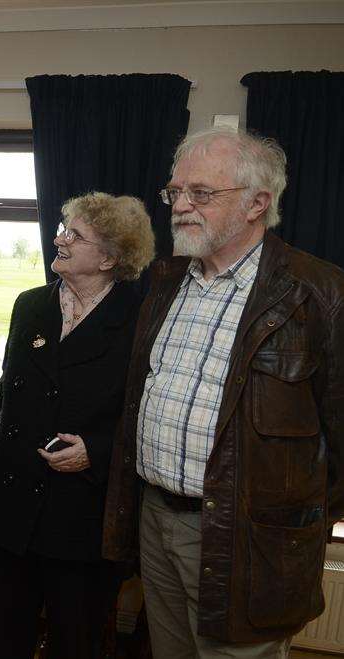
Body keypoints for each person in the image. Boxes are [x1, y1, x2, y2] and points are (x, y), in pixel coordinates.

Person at [103, 127, 344, 657]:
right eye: (175, 192)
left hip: (248, 540)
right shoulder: (166, 280)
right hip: (156, 521)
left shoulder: (319, 293)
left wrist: (289, 524)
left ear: (258, 203)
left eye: (201, 194)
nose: (180, 207)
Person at [0, 193, 155, 658]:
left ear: (110, 258)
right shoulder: (29, 304)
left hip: (81, 519)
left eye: (75, 234)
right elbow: (5, 400)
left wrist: (98, 450)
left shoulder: (142, 320)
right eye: (63, 228)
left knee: (77, 641)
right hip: (8, 507)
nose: (60, 239)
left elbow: (150, 417)